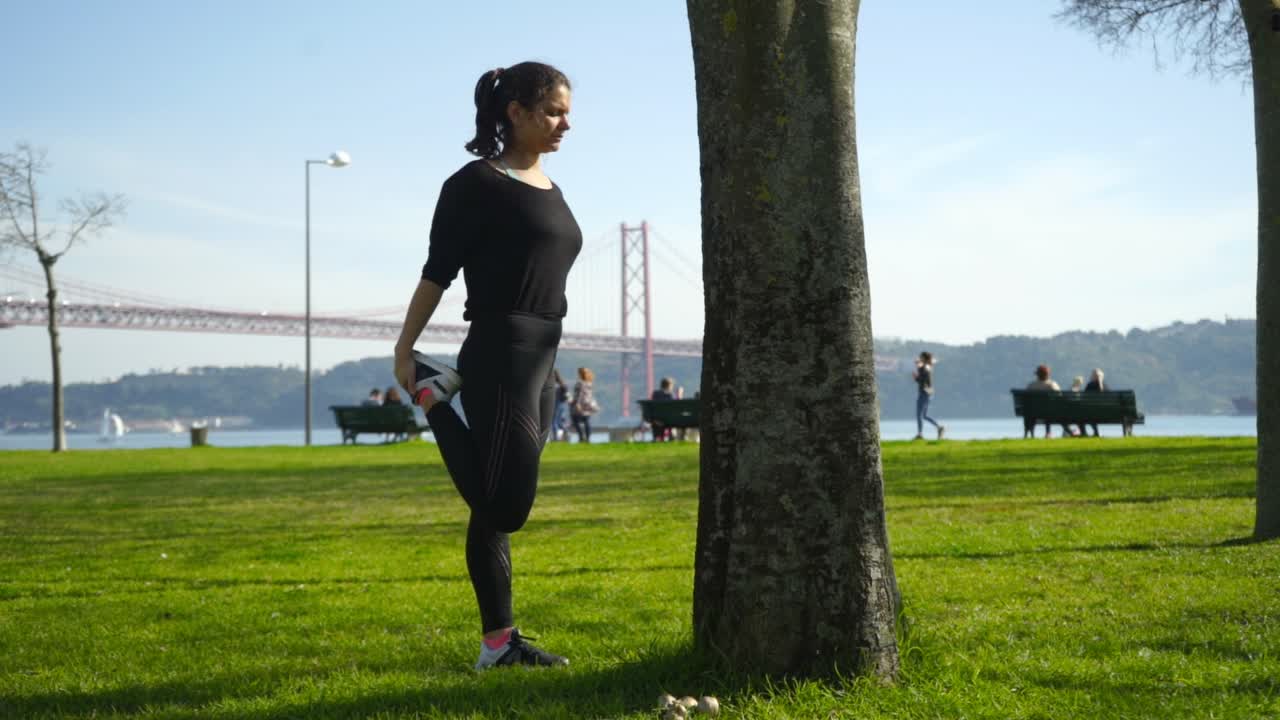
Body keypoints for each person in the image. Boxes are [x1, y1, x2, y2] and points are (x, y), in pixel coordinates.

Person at [392, 61, 579, 670]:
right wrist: (405, 348)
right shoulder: (475, 183)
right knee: (507, 508)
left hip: (543, 363)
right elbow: (437, 272)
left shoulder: (550, 186)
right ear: (515, 113)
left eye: (566, 112)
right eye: (552, 111)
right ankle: (431, 394)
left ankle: (498, 645)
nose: (565, 124)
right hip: (499, 354)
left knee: (489, 501)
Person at [912, 352, 945, 440]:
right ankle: (939, 427)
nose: (920, 359)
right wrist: (919, 368)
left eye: (921, 357)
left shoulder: (924, 368)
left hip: (924, 393)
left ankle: (920, 434)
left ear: (924, 358)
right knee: (924, 415)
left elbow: (922, 380)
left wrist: (916, 376)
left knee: (919, 415)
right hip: (928, 393)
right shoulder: (928, 367)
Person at [1024, 364, 1063, 438]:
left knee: (1031, 412)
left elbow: (1026, 399)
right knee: (1047, 411)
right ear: (1047, 374)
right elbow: (1059, 397)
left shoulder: (1031, 385)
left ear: (1037, 375)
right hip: (1049, 412)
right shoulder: (1051, 385)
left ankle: (1030, 434)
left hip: (1033, 412)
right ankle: (1048, 433)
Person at [570, 366, 598, 443]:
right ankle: (588, 438)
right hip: (588, 403)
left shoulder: (580, 383)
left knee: (575, 420)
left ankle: (581, 437)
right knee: (586, 420)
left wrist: (576, 403)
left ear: (580, 374)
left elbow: (579, 394)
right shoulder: (589, 382)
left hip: (579, 403)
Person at [649, 377, 675, 442]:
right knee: (669, 418)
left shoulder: (655, 393)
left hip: (655, 417)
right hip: (668, 418)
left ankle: (656, 437)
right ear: (669, 386)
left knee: (657, 420)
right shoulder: (670, 395)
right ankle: (671, 436)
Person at [1083, 368, 1106, 437]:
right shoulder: (1105, 386)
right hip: (1105, 413)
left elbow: (1083, 399)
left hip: (1090, 412)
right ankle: (1096, 433)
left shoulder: (1089, 386)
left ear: (1093, 376)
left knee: (1084, 414)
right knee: (1091, 413)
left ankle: (1084, 433)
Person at [551, 369, 570, 442]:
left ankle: (555, 438)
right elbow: (567, 395)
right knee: (559, 422)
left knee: (554, 421)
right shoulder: (562, 384)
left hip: (555, 404)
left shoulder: (554, 385)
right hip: (562, 405)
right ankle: (566, 433)